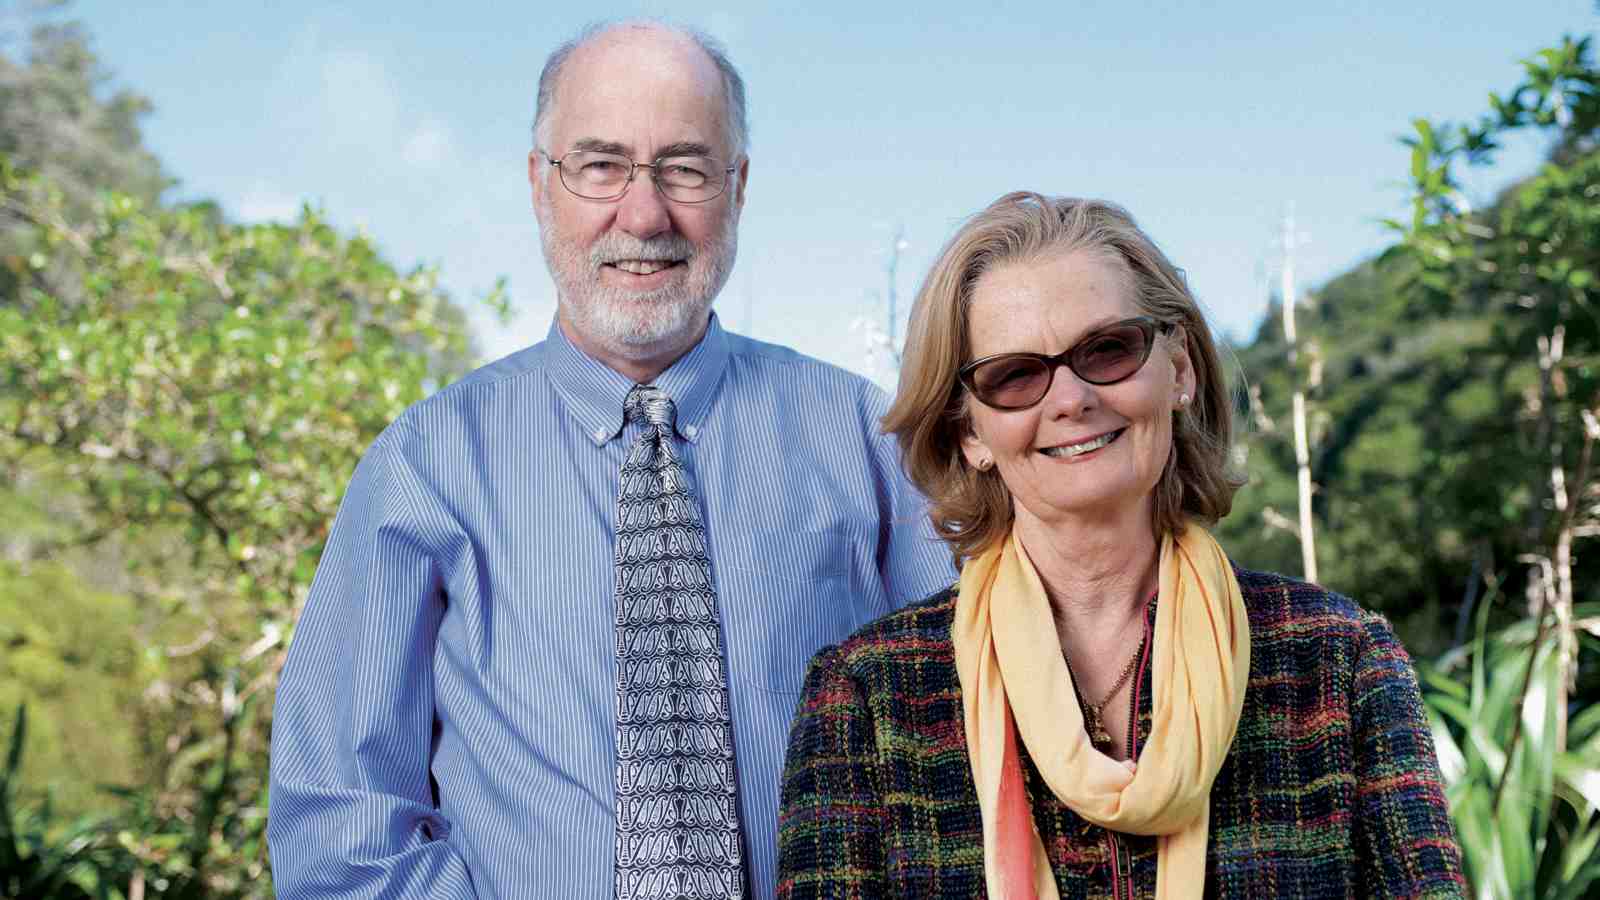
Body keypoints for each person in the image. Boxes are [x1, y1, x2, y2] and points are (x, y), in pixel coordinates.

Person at [266, 21, 953, 900]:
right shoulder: (425, 465)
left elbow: (958, 743)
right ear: (539, 185)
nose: (644, 213)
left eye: (685, 167)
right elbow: (342, 824)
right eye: (600, 166)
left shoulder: (868, 439)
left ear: (737, 188)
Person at [775, 193, 1466, 899]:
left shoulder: (1337, 660)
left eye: (1107, 349)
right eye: (1014, 375)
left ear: (1181, 371)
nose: (1070, 398)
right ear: (970, 433)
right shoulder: (868, 697)